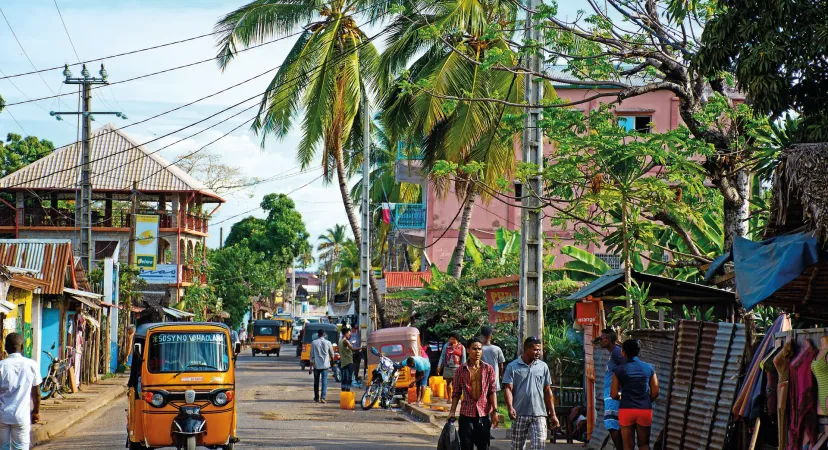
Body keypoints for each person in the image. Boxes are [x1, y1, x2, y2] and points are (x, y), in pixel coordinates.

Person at [503, 336, 559, 450]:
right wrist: (510, 408)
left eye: (539, 349)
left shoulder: (543, 366)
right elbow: (508, 388)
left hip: (539, 414)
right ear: (526, 349)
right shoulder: (512, 366)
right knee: (517, 447)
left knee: (539, 446)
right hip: (519, 414)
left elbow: (547, 390)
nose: (538, 352)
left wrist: (553, 414)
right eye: (535, 349)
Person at [448, 337, 498, 450]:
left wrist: (495, 410)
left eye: (479, 349)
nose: (477, 352)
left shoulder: (488, 369)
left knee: (484, 446)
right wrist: (452, 412)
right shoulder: (460, 370)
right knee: (466, 446)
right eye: (474, 349)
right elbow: (456, 393)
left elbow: (492, 391)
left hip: (483, 413)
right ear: (468, 350)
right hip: (466, 414)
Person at [611, 339, 658, 450]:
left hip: (626, 409)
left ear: (623, 352)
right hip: (644, 409)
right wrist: (645, 401)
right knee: (644, 444)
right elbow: (655, 392)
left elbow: (613, 394)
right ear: (638, 351)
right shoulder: (649, 368)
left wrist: (620, 396)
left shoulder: (618, 370)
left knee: (628, 445)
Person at [0, 333, 42, 450]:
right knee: (20, 447)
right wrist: (36, 411)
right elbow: (37, 393)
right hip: (21, 416)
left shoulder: (1, 366)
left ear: (6, 347)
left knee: (3, 447)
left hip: (2, 416)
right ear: (22, 347)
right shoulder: (32, 365)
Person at [594, 328, 625, 450]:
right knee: (613, 425)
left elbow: (626, 367)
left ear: (609, 340)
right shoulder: (613, 353)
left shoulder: (617, 352)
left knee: (612, 425)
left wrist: (619, 388)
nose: (600, 341)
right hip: (611, 395)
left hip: (614, 396)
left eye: (602, 339)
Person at [439, 333, 466, 400]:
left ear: (456, 339)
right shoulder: (446, 346)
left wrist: (463, 369)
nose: (450, 340)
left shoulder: (461, 347)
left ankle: (455, 397)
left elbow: (463, 358)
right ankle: (449, 398)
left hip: (457, 368)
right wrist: (439, 365)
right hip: (447, 367)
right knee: (448, 383)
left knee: (456, 384)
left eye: (452, 339)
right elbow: (442, 356)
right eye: (450, 338)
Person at [310, 329, 335, 403]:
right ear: (324, 335)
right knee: (324, 382)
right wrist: (332, 362)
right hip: (325, 365)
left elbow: (311, 356)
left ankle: (316, 397)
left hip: (316, 365)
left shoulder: (314, 343)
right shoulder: (328, 343)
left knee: (316, 382)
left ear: (318, 335)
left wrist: (311, 367)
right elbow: (332, 354)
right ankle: (323, 397)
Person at [480, 326, 505, 392]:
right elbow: (501, 366)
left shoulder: (479, 350)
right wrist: (500, 376)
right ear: (491, 335)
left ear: (482, 335)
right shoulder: (497, 349)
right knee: (494, 400)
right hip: (494, 381)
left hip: (481, 381)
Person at [339, 327, 356, 392]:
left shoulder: (340, 341)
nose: (350, 335)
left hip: (343, 362)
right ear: (345, 333)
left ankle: (343, 392)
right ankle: (347, 392)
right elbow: (352, 349)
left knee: (344, 378)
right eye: (349, 333)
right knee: (349, 378)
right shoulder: (345, 341)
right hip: (348, 362)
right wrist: (361, 348)